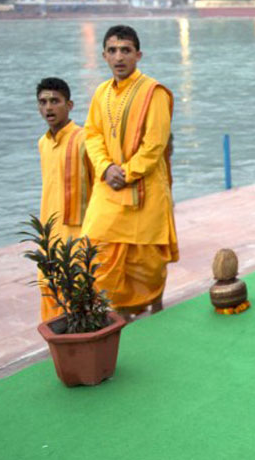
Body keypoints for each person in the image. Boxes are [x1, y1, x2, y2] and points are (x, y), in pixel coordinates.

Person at [82, 25, 179, 319]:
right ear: (104, 55)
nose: (119, 56)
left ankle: (150, 305)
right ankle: (120, 311)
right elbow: (92, 134)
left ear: (138, 54)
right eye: (112, 50)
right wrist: (105, 167)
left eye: (125, 50)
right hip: (108, 188)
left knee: (146, 261)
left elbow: (155, 143)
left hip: (144, 188)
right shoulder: (100, 93)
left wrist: (126, 172)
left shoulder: (154, 93)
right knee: (96, 250)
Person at [36, 77, 93, 321]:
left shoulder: (84, 139)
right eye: (43, 102)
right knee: (49, 290)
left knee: (79, 292)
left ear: (69, 105)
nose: (48, 107)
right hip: (50, 234)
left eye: (55, 101)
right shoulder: (43, 143)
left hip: (79, 233)